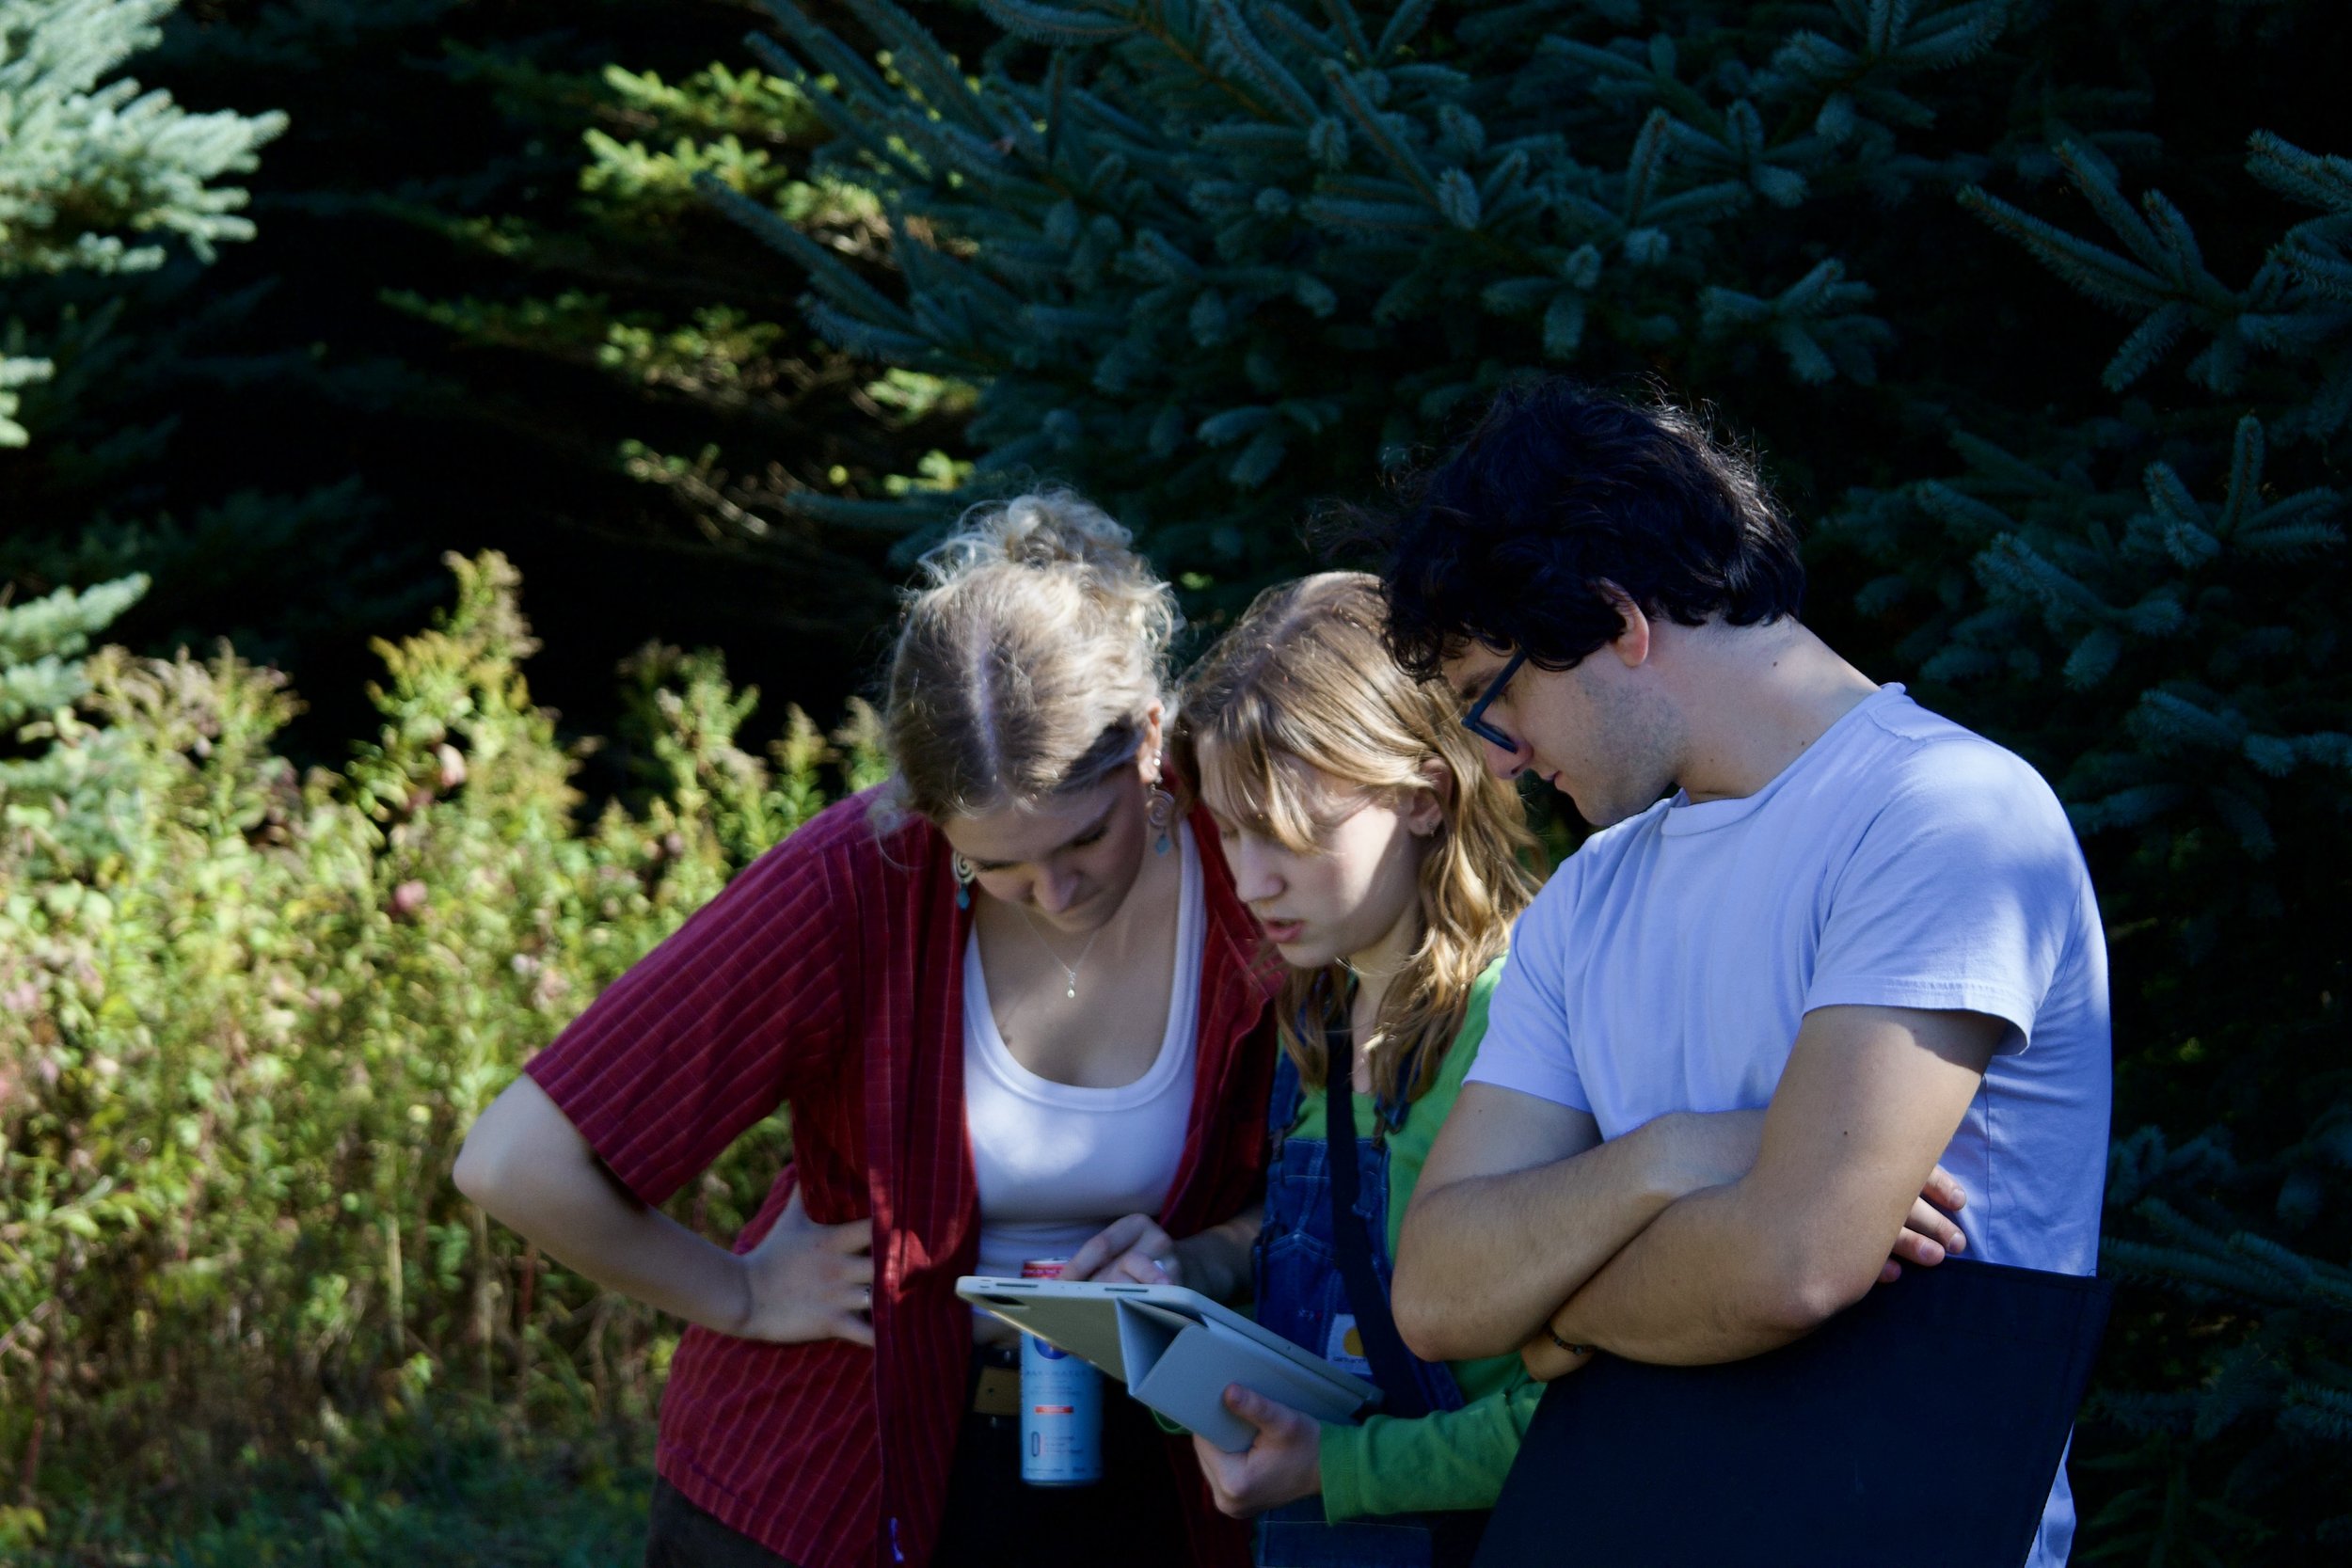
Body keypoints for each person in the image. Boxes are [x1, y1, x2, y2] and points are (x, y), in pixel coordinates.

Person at [452, 492, 1277, 1568]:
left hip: (1153, 1477)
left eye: (1085, 834)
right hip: (826, 1478)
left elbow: (1364, 1169)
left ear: (1151, 741)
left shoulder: (1254, 870)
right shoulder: (860, 872)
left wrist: (1211, 1256)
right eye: (998, 862)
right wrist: (740, 1290)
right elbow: (514, 1158)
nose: (1053, 888)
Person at [1377, 380, 2112, 1566]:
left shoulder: (1943, 816)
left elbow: (1794, 1261)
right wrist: (1682, 1153)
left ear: (1617, 619)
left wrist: (1555, 1310)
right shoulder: (1588, 896)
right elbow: (1441, 1288)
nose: (1500, 761)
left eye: (1494, 699)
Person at [1130, 571, 1549, 1567]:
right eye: (1229, 830)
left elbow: (1581, 1409)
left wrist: (1341, 1467)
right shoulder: (1312, 1013)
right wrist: (1177, 1296)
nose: (1249, 878)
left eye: (1288, 833)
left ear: (1421, 793)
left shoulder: (1526, 1023)